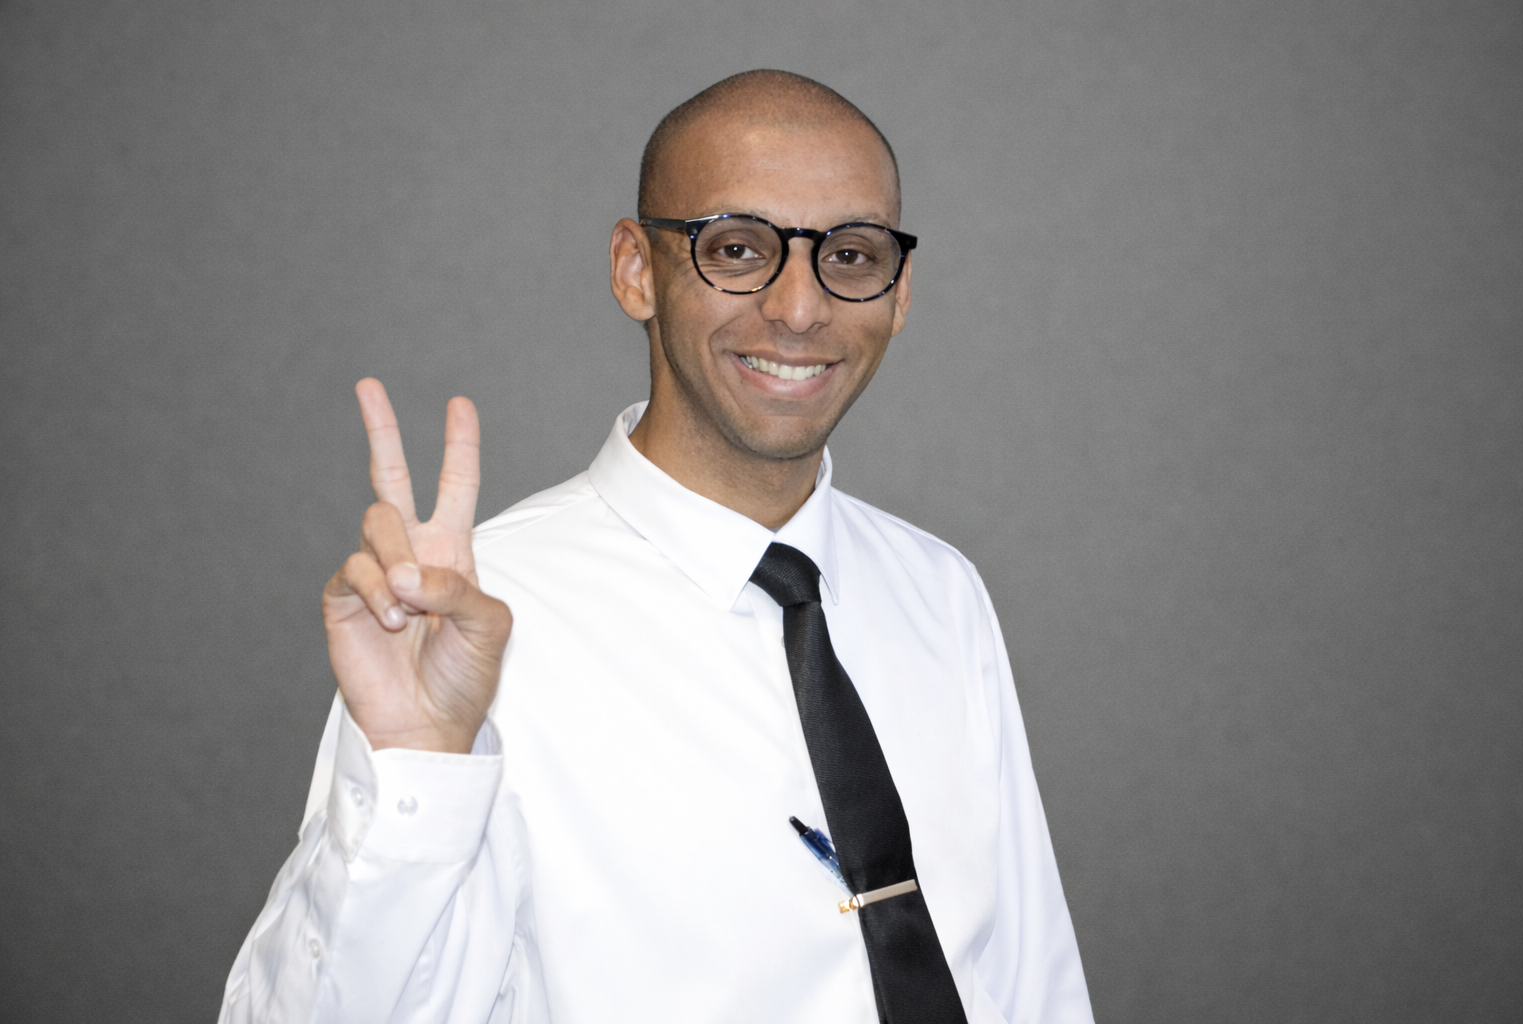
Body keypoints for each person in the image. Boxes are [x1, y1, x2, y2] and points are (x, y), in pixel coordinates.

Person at [219, 70, 1093, 1024]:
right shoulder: (477, 631)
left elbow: (1031, 985)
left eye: (849, 255)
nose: (800, 308)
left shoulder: (941, 592)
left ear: (900, 289)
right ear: (637, 268)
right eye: (738, 248)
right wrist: (413, 777)